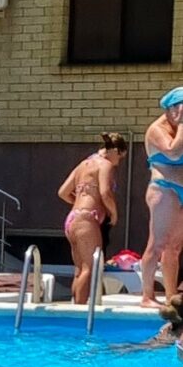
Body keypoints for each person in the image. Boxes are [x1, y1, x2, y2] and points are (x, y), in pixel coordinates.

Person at [58, 132, 127, 307]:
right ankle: (81, 311)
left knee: (80, 269)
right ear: (115, 151)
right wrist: (114, 213)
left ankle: (75, 307)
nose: (118, 163)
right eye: (120, 158)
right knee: (90, 268)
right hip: (87, 220)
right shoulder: (105, 165)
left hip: (73, 218)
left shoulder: (83, 164)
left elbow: (63, 192)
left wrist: (80, 203)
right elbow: (105, 192)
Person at [140, 91, 183, 316]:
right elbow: (174, 153)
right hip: (164, 188)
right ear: (171, 109)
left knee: (174, 248)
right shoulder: (157, 129)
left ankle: (170, 296)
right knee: (157, 244)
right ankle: (147, 296)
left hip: (180, 190)